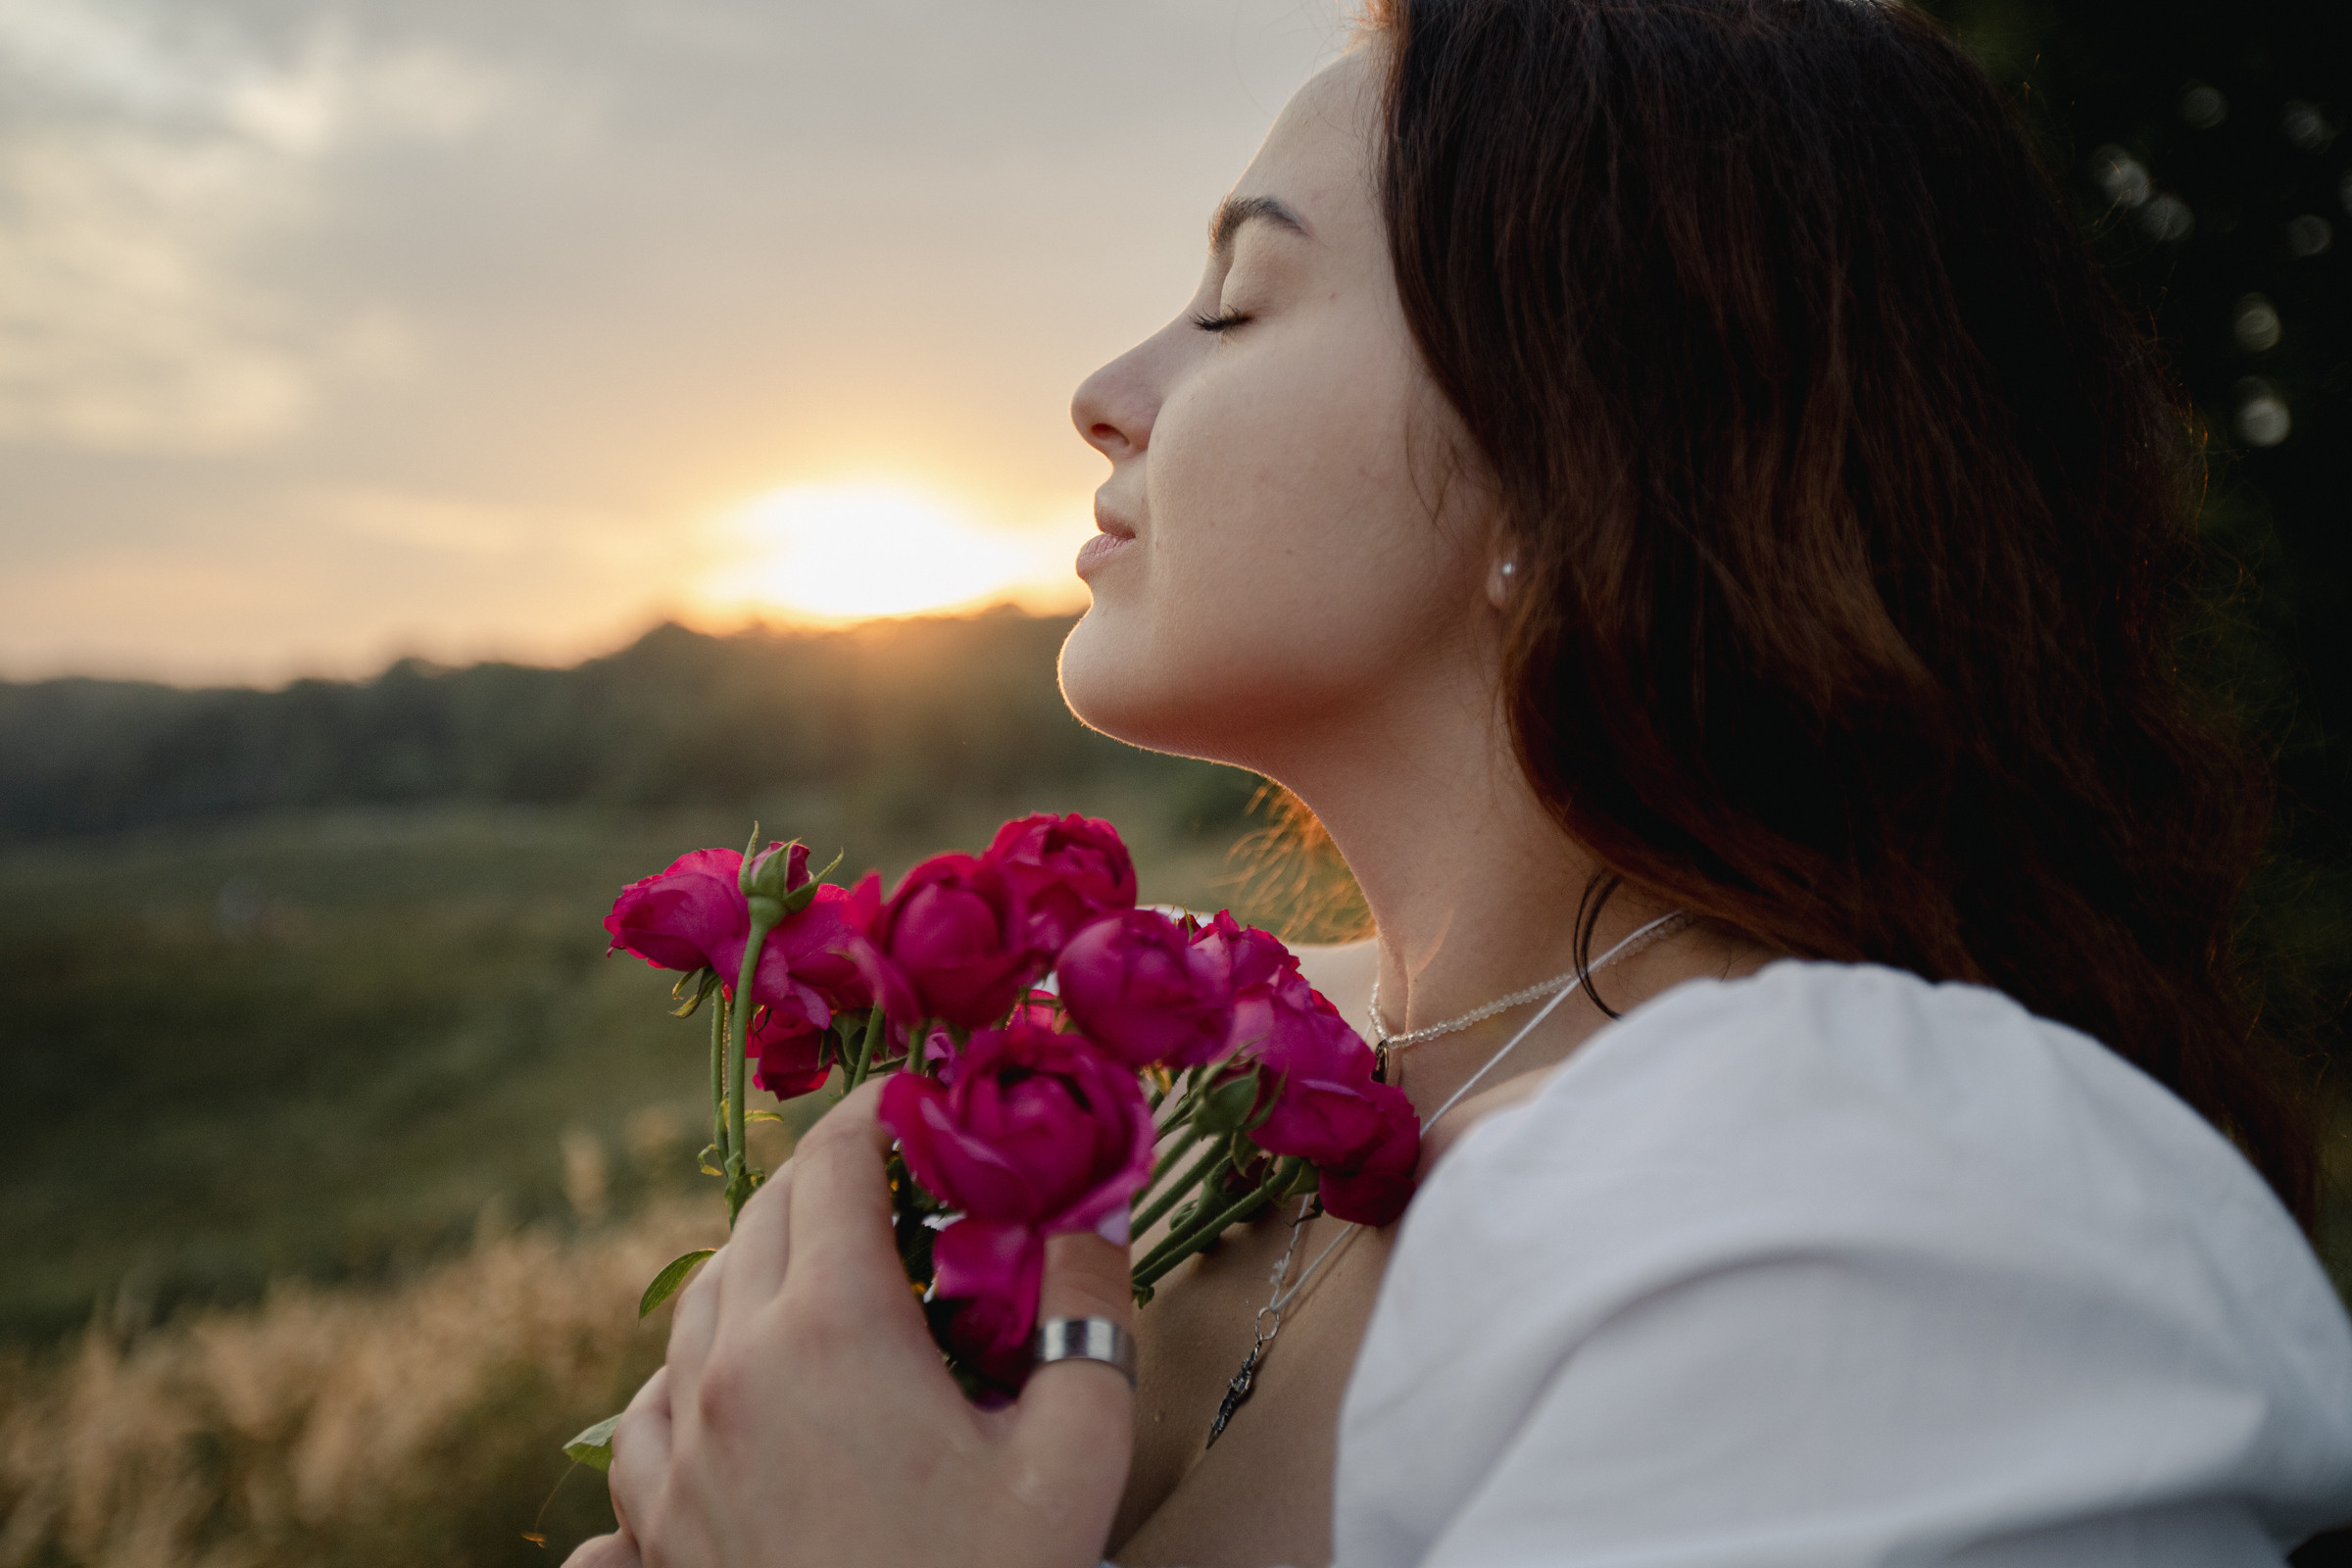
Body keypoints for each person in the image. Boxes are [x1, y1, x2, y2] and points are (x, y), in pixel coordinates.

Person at [567, 1, 2352, 1563]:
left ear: (1569, 450)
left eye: (1238, 306)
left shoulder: (1860, 1214)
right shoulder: (1173, 1079)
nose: (1105, 394)